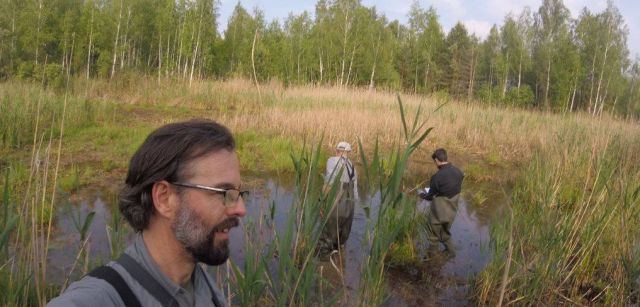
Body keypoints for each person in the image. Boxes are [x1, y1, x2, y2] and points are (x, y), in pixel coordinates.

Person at [48, 119, 248, 307]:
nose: (240, 209)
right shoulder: (101, 298)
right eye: (224, 193)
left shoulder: (202, 285)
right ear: (164, 198)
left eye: (238, 194)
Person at [419, 148, 464, 259]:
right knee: (445, 232)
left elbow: (430, 196)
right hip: (452, 209)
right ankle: (451, 253)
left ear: (437, 160)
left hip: (440, 209)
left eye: (435, 161)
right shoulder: (459, 172)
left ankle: (431, 256)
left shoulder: (437, 177)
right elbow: (455, 185)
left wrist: (422, 195)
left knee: (433, 233)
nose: (435, 164)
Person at [318, 141, 359, 256]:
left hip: (336, 200)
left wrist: (322, 202)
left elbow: (329, 182)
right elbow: (355, 192)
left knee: (328, 232)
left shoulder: (332, 161)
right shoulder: (353, 167)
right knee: (342, 234)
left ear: (337, 151)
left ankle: (324, 263)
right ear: (348, 153)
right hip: (349, 204)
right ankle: (338, 259)